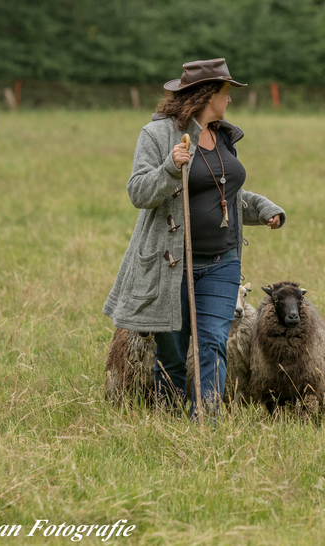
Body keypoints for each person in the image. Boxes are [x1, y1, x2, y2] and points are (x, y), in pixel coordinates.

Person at [102, 58, 285, 419]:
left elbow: (226, 194)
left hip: (223, 262)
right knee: (171, 354)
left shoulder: (224, 137)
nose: (229, 100)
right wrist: (170, 167)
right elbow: (139, 192)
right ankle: (169, 422)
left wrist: (264, 208)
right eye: (226, 92)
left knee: (213, 343)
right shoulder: (155, 136)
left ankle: (205, 422)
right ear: (206, 95)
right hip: (171, 265)